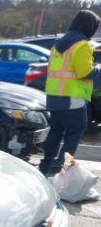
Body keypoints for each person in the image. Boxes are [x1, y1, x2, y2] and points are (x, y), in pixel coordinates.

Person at [40, 10, 101, 176]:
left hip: (54, 96)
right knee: (76, 130)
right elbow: (84, 72)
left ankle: (46, 165)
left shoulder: (59, 45)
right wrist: (98, 69)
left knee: (56, 130)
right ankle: (62, 168)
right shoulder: (82, 45)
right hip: (72, 98)